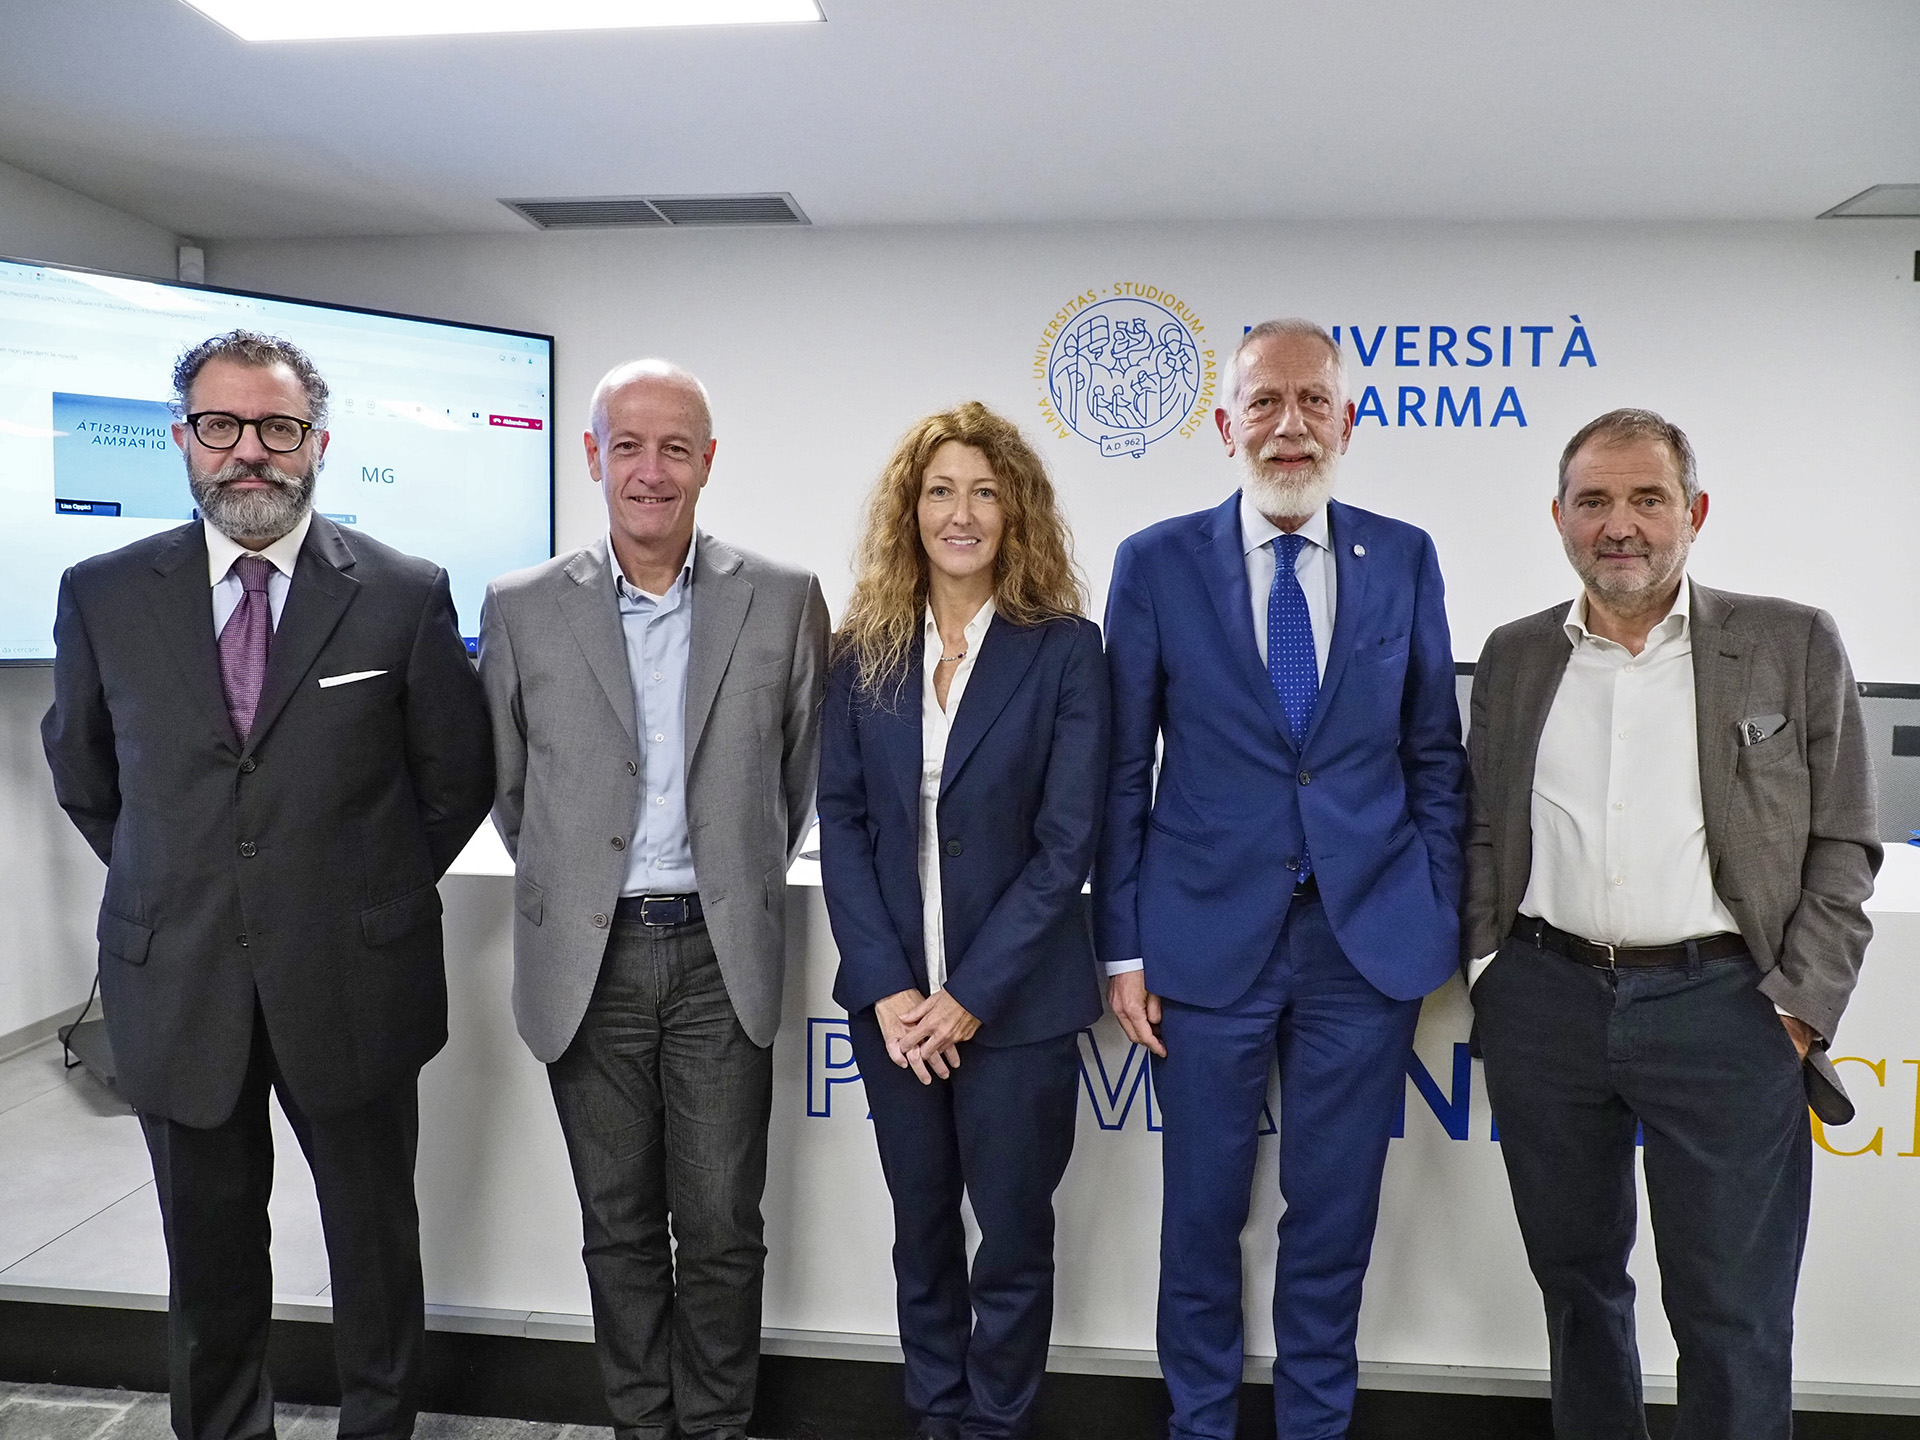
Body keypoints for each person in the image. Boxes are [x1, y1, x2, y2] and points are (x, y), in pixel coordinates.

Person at [41, 329, 495, 1440]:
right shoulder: (104, 595)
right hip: (179, 978)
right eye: (222, 425)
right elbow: (89, 778)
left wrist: (356, 891)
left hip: (353, 977)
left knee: (373, 1246)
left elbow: (455, 781)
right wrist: (188, 882)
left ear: (318, 444)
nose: (250, 450)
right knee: (206, 1256)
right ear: (183, 439)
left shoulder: (401, 593)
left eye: (278, 427)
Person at [1463, 408, 1879, 1440]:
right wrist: (1489, 971)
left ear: (1694, 512)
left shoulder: (1790, 641)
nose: (1621, 525)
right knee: (1577, 1287)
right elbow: (1480, 825)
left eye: (1648, 499)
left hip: (1727, 1009)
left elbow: (1844, 841)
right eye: (1594, 501)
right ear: (1558, 518)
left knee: (1732, 1311)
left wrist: (1797, 1007)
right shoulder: (1514, 656)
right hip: (1547, 1004)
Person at [1095, 319, 1468, 1440]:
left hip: (1365, 947)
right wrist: (1123, 944)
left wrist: (1434, 910)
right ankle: (1200, 1424)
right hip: (1203, 944)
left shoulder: (1404, 557)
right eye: (1264, 402)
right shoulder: (1155, 563)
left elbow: (1433, 756)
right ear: (1226, 426)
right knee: (1200, 1219)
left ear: (1347, 421)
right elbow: (1123, 770)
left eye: (1313, 402)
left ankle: (1315, 1426)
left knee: (1333, 1223)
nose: (1289, 425)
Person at [478, 358, 829, 1440]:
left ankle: (715, 1426)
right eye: (627, 445)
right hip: (591, 963)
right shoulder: (522, 606)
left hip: (722, 957)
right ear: (592, 456)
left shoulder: (783, 599)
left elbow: (797, 777)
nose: (651, 469)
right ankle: (642, 1423)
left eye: (676, 447)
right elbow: (509, 788)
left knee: (721, 1228)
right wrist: (587, 879)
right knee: (618, 1226)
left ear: (708, 461)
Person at [817, 402, 1109, 1440]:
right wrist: (894, 991)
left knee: (1014, 1245)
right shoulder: (863, 651)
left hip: (1015, 1012)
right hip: (895, 1016)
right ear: (911, 510)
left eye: (985, 492)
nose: (962, 513)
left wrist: (969, 996)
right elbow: (844, 825)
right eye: (940, 490)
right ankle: (936, 1417)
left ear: (1015, 511)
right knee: (923, 1234)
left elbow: (1066, 845)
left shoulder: (1066, 651)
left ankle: (995, 1427)